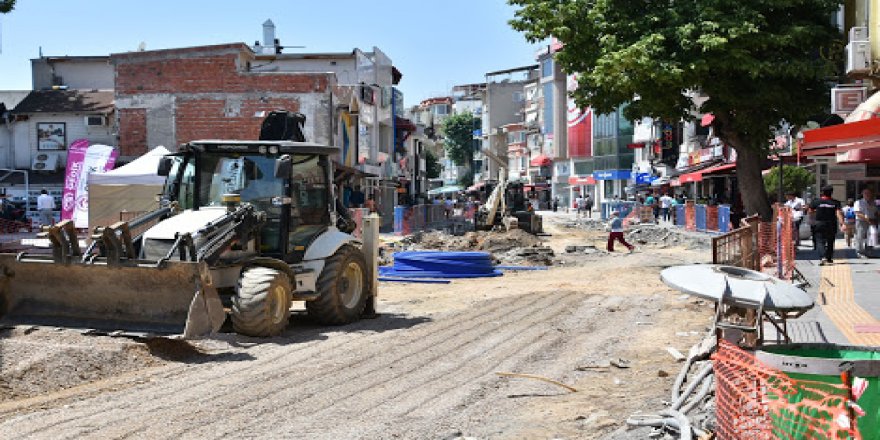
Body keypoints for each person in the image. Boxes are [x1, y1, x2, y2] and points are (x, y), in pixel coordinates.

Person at [808, 186, 844, 265]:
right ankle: (829, 258)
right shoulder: (835, 202)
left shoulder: (816, 201)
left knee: (819, 241)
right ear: (831, 192)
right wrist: (842, 223)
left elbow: (810, 211)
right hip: (831, 224)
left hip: (819, 223)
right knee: (830, 241)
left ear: (822, 192)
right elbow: (838, 213)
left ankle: (823, 257)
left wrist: (816, 213)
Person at [853, 188, 878, 257]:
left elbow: (875, 212)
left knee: (871, 237)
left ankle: (869, 252)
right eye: (865, 193)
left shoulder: (873, 202)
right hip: (861, 221)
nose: (867, 195)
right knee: (860, 237)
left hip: (872, 221)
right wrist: (867, 219)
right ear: (863, 194)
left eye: (869, 193)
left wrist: (875, 219)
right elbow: (857, 213)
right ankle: (860, 252)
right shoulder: (858, 202)